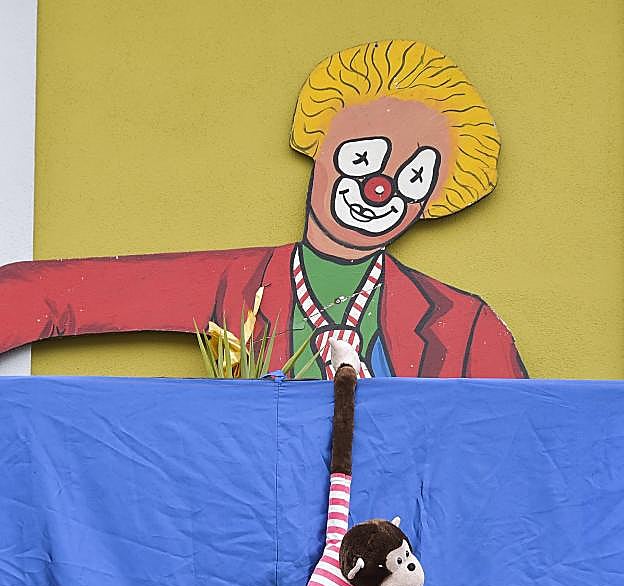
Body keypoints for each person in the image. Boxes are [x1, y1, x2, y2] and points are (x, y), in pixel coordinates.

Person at [0, 39, 526, 378]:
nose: (379, 190)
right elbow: (55, 296)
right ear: (318, 141)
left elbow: (520, 448)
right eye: (364, 158)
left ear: (433, 198)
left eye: (414, 177)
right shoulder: (235, 282)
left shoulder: (465, 324)